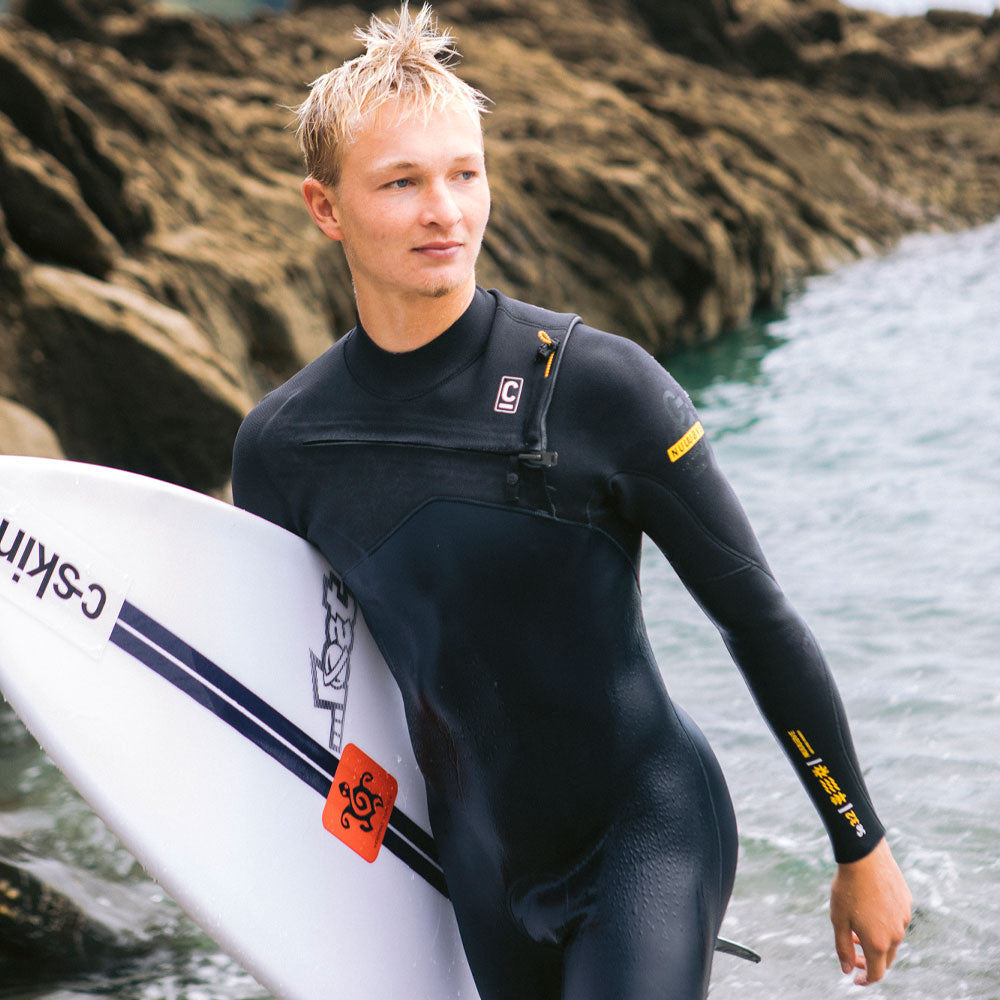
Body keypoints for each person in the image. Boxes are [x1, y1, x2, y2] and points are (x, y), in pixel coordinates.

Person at [231, 4, 912, 997]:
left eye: (465, 174)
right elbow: (295, 685)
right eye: (402, 182)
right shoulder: (285, 447)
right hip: (475, 869)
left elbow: (755, 617)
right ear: (325, 207)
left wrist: (860, 845)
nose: (445, 211)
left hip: (645, 833)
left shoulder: (599, 387)